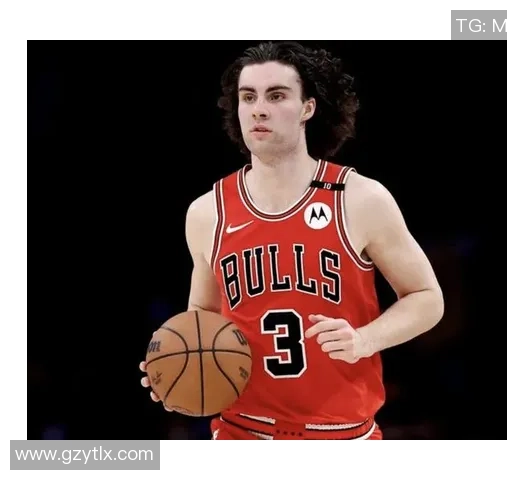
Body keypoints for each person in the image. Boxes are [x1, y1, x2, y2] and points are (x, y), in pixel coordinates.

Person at [140, 41, 444, 440]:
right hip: (241, 431)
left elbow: (427, 298)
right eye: (248, 97)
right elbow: (202, 315)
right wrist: (179, 366)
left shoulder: (359, 198)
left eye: (276, 95)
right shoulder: (207, 211)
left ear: (307, 108)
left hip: (343, 434)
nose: (258, 109)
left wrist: (364, 339)